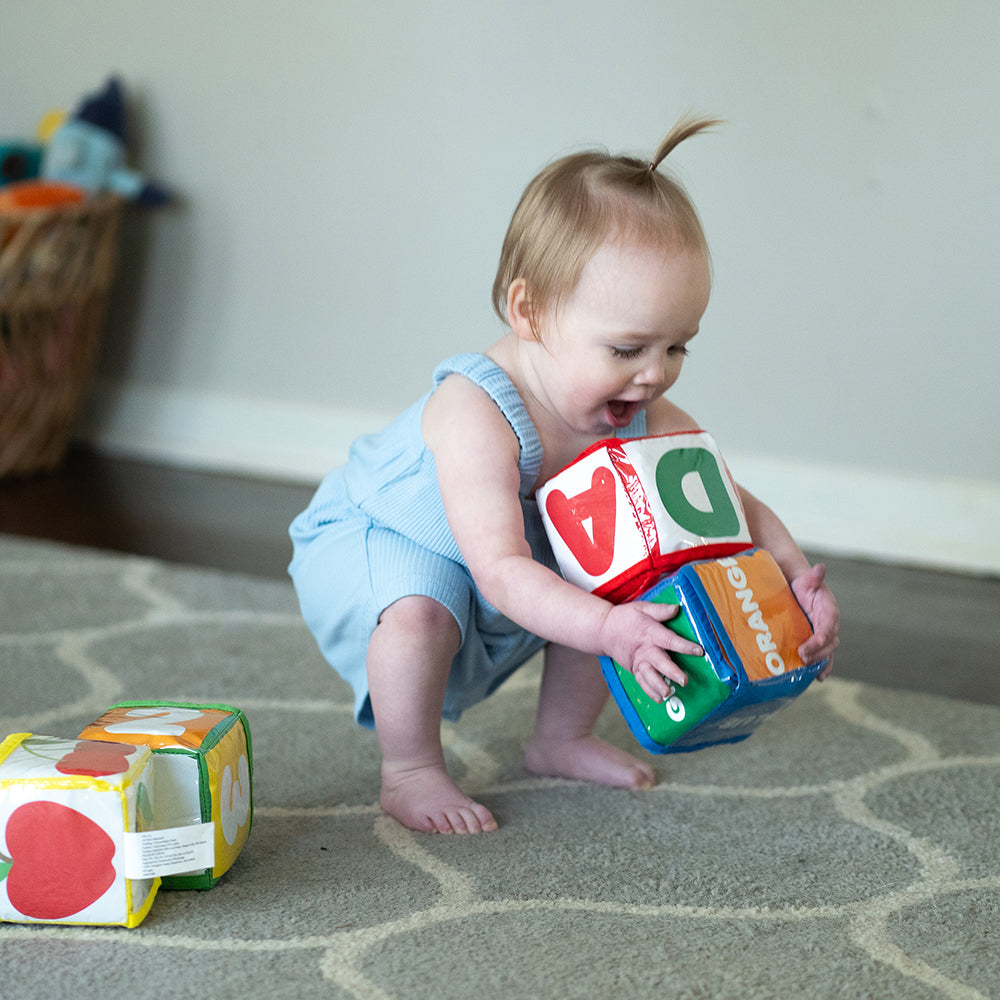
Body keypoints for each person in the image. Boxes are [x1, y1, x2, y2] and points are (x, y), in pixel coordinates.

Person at [289, 117, 840, 836]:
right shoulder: (475, 411)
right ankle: (411, 769)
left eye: (678, 347)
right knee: (424, 615)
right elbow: (498, 569)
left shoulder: (643, 408)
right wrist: (606, 629)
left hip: (509, 566)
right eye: (627, 348)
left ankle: (560, 738)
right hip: (387, 539)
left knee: (620, 595)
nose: (655, 373)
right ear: (529, 312)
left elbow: (733, 508)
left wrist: (796, 580)